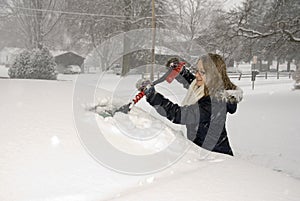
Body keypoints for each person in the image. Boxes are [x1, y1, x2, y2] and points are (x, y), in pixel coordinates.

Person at [136, 53, 243, 156]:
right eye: (197, 70)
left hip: (216, 158)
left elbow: (179, 115)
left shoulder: (214, 103)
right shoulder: (208, 88)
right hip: (205, 152)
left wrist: (153, 96)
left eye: (203, 72)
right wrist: (181, 72)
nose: (197, 75)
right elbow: (194, 82)